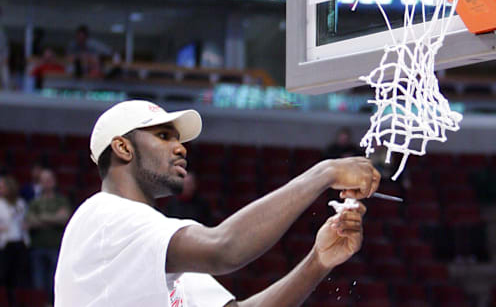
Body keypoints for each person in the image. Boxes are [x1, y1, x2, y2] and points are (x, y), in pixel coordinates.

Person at [55, 100, 381, 307]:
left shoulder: (156, 246)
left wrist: (317, 262)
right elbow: (224, 249)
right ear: (123, 148)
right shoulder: (104, 217)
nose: (181, 148)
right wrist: (323, 173)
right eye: (164, 136)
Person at [25, 169, 71, 306]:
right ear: (40, 183)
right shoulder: (34, 202)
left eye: (49, 179)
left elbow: (63, 218)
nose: (47, 182)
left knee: (55, 282)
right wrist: (53, 218)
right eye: (44, 180)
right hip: (37, 248)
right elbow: (29, 222)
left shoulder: (61, 200)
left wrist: (41, 218)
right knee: (38, 284)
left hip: (55, 247)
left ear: (54, 181)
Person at [0, 176, 30, 307]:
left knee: (16, 277)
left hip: (19, 243)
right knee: (3, 275)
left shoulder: (20, 204)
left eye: (2, 186)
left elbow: (24, 220)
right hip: (4, 244)